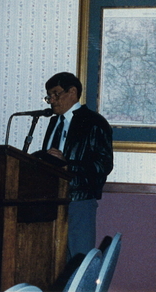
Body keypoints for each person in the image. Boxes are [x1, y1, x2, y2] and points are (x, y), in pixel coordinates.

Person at [41, 72, 113, 260]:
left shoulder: (94, 123)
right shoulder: (54, 122)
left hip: (79, 200)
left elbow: (103, 165)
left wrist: (68, 164)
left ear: (72, 92)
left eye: (55, 94)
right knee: (54, 262)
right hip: (51, 200)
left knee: (78, 260)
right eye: (49, 96)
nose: (52, 101)